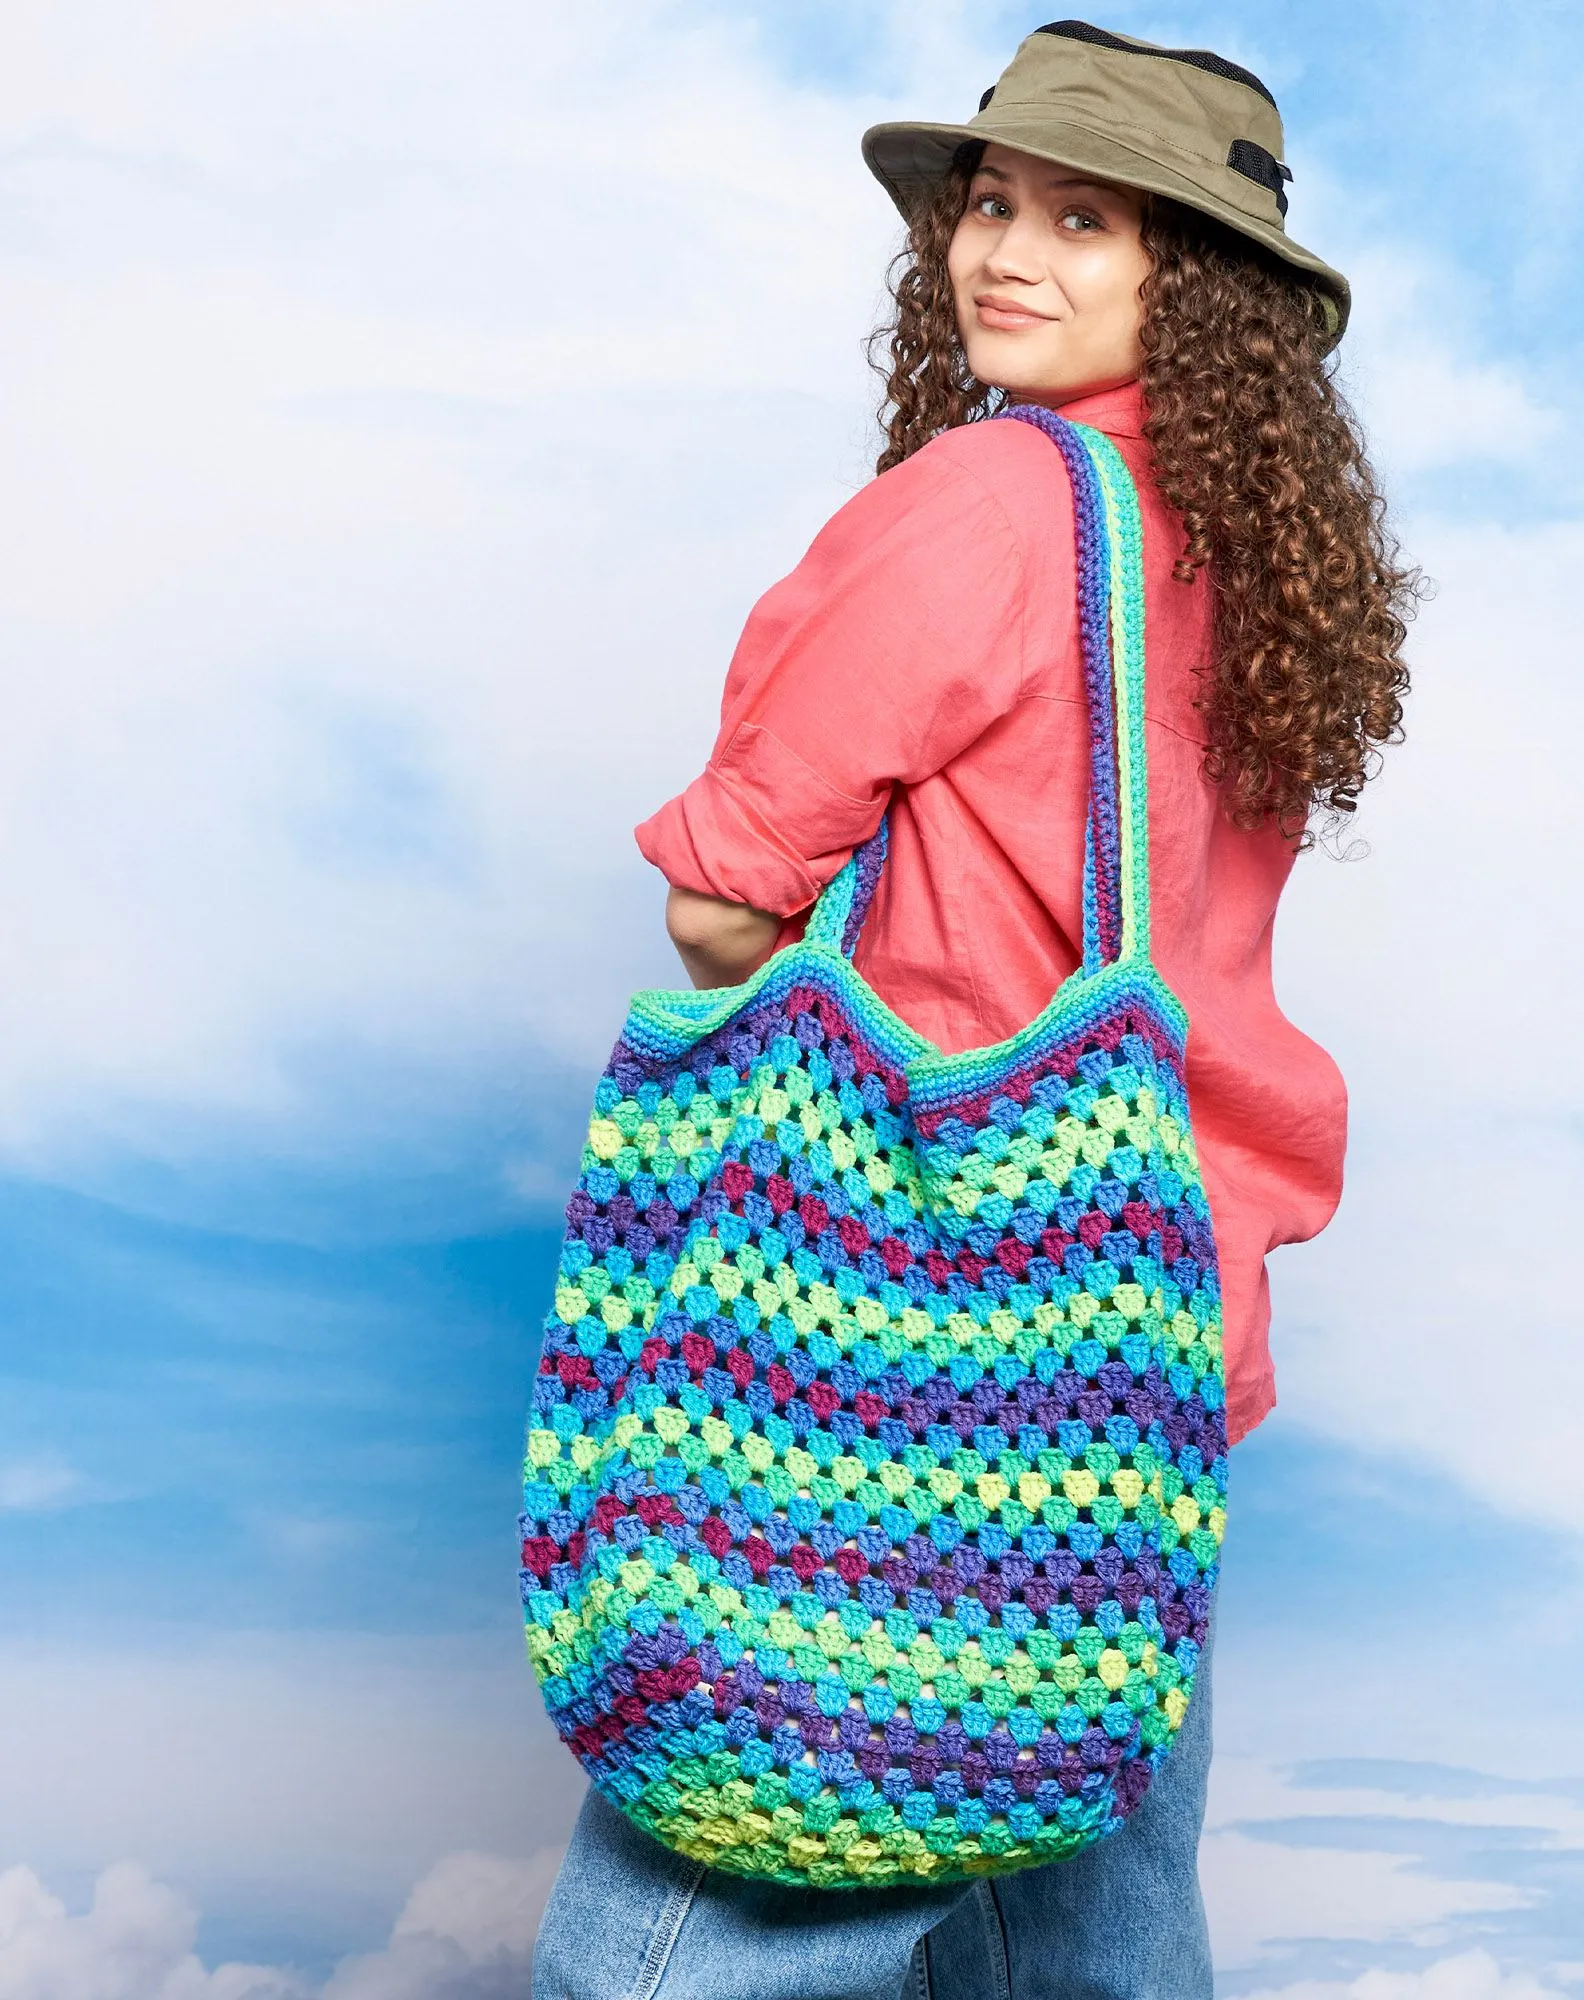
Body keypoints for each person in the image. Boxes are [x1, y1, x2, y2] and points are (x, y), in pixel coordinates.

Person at [532, 22, 1414, 2000]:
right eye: (992, 203)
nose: (1002, 251)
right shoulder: (1250, 560)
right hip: (1150, 1326)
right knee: (1083, 1935)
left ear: (1188, 284)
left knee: (682, 1940)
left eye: (1083, 219)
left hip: (914, 1336)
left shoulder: (982, 510)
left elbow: (722, 898)